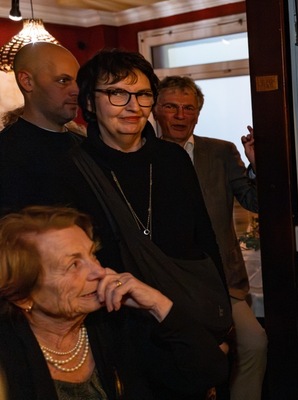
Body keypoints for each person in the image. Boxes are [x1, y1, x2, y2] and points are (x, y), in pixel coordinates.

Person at [59, 48, 233, 397]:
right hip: (117, 324)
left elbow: (205, 240)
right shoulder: (71, 168)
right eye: (116, 93)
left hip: (183, 314)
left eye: (142, 94)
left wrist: (219, 325)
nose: (132, 105)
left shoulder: (172, 159)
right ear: (90, 104)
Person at [0, 206, 228, 399]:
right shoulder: (8, 352)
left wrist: (159, 305)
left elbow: (209, 373)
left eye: (92, 255)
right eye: (73, 266)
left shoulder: (117, 321)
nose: (98, 272)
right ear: (22, 296)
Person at [153, 75, 267, 400]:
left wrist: (257, 165)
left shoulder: (220, 152)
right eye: (171, 107)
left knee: (255, 342)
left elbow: (255, 201)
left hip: (224, 280)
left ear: (198, 114)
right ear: (157, 110)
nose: (179, 115)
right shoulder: (143, 156)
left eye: (188, 108)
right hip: (168, 282)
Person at [0, 42, 82, 214]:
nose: (76, 90)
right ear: (27, 81)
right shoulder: (6, 151)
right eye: (63, 80)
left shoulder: (87, 147)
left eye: (78, 81)